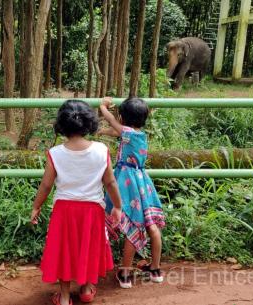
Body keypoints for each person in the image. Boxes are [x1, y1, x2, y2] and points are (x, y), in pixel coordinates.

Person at [31, 100, 122, 305]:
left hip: (64, 211)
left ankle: (64, 297)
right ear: (89, 123)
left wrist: (36, 206)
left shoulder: (55, 153)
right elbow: (110, 182)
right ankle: (87, 289)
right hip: (92, 211)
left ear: (61, 125)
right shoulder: (101, 150)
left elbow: (46, 186)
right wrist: (117, 206)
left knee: (65, 251)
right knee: (88, 247)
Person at [99, 96, 166, 289]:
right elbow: (117, 132)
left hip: (127, 183)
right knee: (151, 226)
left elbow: (113, 123)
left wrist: (102, 107)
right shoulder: (139, 134)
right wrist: (103, 131)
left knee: (132, 225)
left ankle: (125, 273)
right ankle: (155, 269)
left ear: (121, 118)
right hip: (142, 181)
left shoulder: (126, 131)